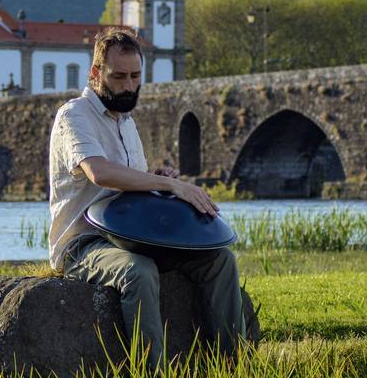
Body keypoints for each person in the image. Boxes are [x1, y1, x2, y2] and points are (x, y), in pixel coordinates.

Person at [48, 28, 244, 368]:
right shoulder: (74, 115)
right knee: (138, 272)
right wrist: (169, 187)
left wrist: (158, 179)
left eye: (135, 76)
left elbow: (130, 185)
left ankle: (233, 365)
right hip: (84, 243)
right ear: (96, 73)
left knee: (220, 260)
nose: (128, 85)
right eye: (119, 76)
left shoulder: (127, 120)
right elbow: (100, 173)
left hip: (133, 237)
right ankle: (152, 370)